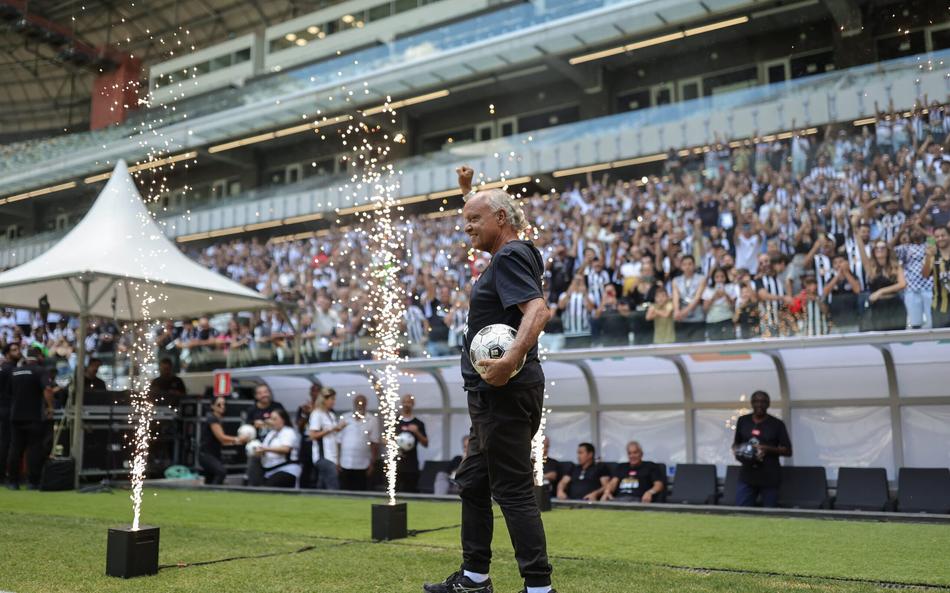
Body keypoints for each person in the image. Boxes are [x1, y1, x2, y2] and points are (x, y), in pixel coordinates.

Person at [424, 166, 555, 593]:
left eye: (473, 221)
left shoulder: (511, 255)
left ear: (501, 220)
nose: (467, 230)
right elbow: (492, 207)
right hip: (492, 395)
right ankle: (475, 577)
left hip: (503, 391)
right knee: (473, 482)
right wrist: (469, 193)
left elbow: (538, 312)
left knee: (512, 489)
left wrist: (509, 360)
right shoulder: (510, 252)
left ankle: (539, 587)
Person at [732, 391, 792, 507]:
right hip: (747, 475)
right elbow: (736, 444)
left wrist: (766, 448)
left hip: (769, 475)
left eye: (763, 402)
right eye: (756, 401)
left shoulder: (777, 424)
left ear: (768, 404)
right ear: (752, 403)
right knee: (741, 511)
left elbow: (788, 451)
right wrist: (741, 452)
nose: (759, 405)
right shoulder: (743, 421)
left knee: (769, 513)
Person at [6, 347, 54, 490]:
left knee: (15, 449)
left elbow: (9, 393)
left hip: (15, 415)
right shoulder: (40, 371)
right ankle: (32, 482)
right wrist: (50, 407)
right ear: (39, 356)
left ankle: (13, 482)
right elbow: (48, 389)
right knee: (34, 449)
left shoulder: (14, 372)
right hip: (33, 416)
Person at [199, 396, 246, 485]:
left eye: (224, 404)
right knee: (221, 472)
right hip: (206, 454)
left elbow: (223, 441)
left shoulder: (217, 419)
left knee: (210, 477)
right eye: (219, 404)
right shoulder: (212, 419)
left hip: (213, 454)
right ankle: (215, 492)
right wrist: (238, 439)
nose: (222, 406)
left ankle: (209, 494)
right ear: (212, 406)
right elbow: (221, 437)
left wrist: (238, 442)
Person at [337, 393, 379, 491]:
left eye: (362, 403)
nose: (360, 405)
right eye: (357, 403)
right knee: (345, 490)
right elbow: (338, 441)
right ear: (354, 404)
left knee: (360, 491)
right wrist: (337, 461)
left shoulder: (372, 419)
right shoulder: (344, 418)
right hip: (345, 462)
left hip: (363, 464)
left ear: (366, 404)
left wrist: (372, 463)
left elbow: (374, 443)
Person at [307, 387, 345, 490]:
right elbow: (312, 435)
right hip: (323, 456)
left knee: (322, 485)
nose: (334, 402)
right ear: (324, 399)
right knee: (333, 486)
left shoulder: (331, 415)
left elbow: (333, 433)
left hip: (332, 456)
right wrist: (331, 429)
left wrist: (338, 428)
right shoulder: (317, 414)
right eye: (332, 399)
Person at [253, 408, 300, 488]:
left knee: (269, 488)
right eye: (271, 419)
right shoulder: (271, 433)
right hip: (269, 470)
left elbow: (285, 449)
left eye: (274, 419)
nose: (271, 421)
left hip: (286, 470)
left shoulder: (288, 432)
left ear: (283, 420)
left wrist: (266, 449)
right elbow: (264, 448)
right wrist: (259, 451)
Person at [396, 394, 428, 493]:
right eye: (405, 402)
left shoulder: (418, 423)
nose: (406, 404)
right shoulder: (394, 422)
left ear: (413, 404)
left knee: (410, 492)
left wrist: (416, 432)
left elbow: (426, 443)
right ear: (401, 403)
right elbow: (383, 439)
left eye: (409, 402)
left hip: (411, 466)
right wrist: (393, 440)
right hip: (396, 465)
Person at [672, 255, 707, 342]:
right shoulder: (676, 280)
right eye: (684, 264)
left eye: (690, 264)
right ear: (681, 266)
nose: (687, 267)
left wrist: (684, 312)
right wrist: (676, 311)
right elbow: (675, 297)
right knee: (682, 345)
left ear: (694, 265)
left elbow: (697, 297)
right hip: (681, 318)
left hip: (697, 317)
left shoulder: (701, 279)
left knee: (697, 346)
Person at [0, 342, 21, 486]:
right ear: (7, 353)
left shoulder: (4, 368)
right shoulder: (11, 370)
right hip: (8, 409)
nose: (18, 352)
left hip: (4, 407)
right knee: (6, 443)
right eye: (14, 350)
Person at [922, 226, 950, 328]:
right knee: (940, 341)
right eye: (937, 236)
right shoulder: (933, 255)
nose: (940, 238)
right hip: (939, 307)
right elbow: (925, 275)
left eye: (943, 235)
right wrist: (928, 257)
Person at [702, 267, 738, 340]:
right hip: (712, 321)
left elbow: (733, 307)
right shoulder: (708, 290)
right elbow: (705, 309)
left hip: (727, 320)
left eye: (722, 276)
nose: (720, 279)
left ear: (725, 277)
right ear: (713, 278)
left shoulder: (730, 287)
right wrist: (713, 297)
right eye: (717, 277)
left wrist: (726, 295)